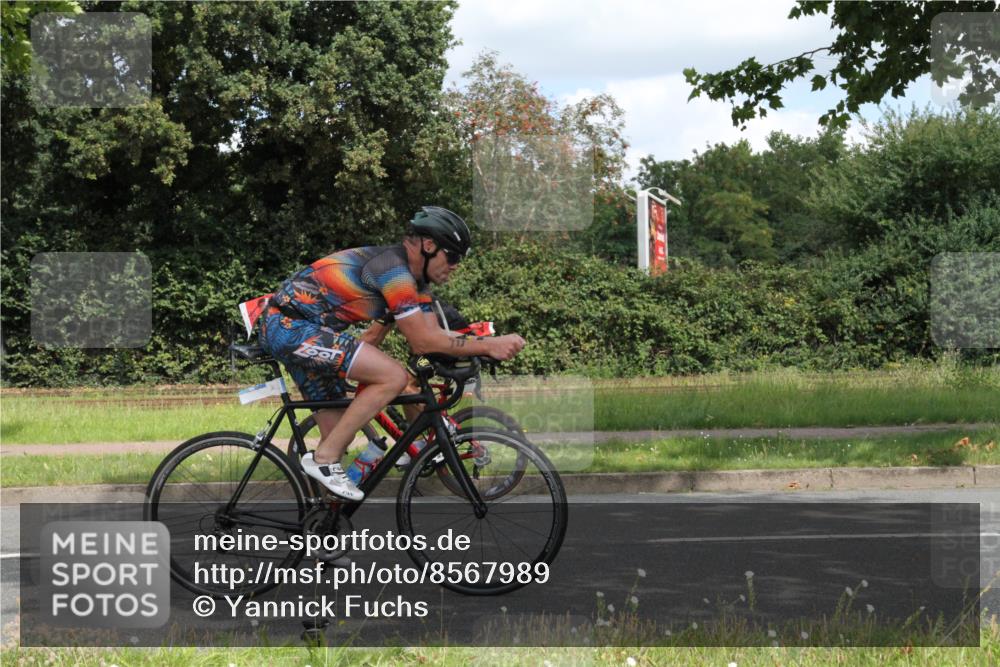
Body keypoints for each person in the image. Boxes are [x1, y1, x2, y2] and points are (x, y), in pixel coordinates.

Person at [258, 206, 525, 500]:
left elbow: (435, 335)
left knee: (337, 442)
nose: (456, 266)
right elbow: (423, 342)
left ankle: (322, 520)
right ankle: (323, 459)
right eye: (453, 256)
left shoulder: (415, 284)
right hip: (289, 327)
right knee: (394, 377)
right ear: (429, 245)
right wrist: (489, 345)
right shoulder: (393, 270)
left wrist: (484, 345)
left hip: (303, 330)